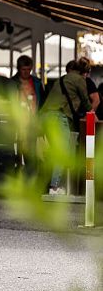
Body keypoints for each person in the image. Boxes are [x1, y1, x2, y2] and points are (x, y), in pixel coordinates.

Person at [40, 60, 92, 194]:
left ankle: (51, 184)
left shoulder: (62, 79)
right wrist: (92, 113)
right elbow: (86, 100)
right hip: (58, 116)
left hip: (46, 116)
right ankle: (54, 187)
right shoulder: (80, 79)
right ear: (84, 72)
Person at [12, 55, 43, 176]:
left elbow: (42, 102)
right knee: (17, 153)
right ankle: (18, 178)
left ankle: (30, 179)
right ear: (19, 69)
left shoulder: (36, 83)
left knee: (31, 154)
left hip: (32, 124)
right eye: (24, 69)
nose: (26, 72)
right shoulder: (12, 83)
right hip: (16, 123)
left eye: (28, 69)